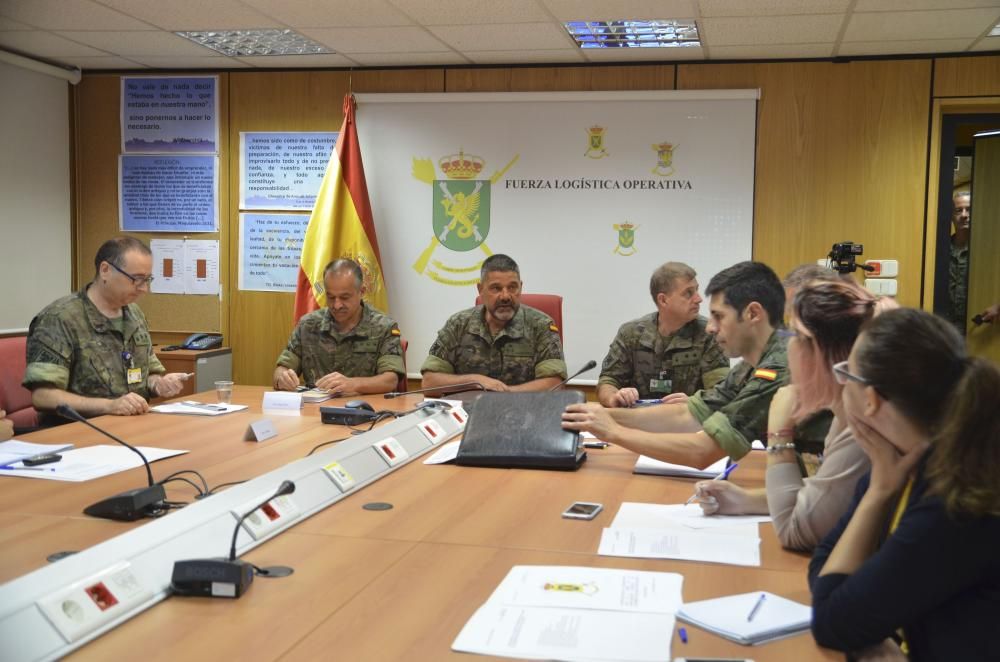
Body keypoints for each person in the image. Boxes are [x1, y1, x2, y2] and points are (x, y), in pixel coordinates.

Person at [810, 308, 1000, 660]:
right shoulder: (902, 463)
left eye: (846, 373)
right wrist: (879, 490)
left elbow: (832, 623)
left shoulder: (954, 501)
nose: (840, 382)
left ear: (871, 399)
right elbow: (823, 569)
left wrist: (862, 629)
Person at [693, 280, 892, 551]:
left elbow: (792, 531)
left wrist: (779, 435)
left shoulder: (863, 428)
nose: (789, 348)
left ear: (825, 354)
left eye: (796, 337)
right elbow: (826, 491)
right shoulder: (845, 412)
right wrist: (745, 500)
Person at [563, 261, 792, 469]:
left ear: (753, 313)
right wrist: (594, 416)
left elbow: (702, 451)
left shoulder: (778, 369)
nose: (711, 327)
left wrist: (614, 431)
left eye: (719, 316)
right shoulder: (749, 366)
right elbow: (686, 415)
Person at [23, 237, 188, 421]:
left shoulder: (134, 314)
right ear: (105, 270)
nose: (144, 289)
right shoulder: (60, 319)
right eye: (137, 279)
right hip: (79, 431)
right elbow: (43, 397)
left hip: (133, 424)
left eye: (148, 279)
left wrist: (159, 384)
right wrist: (110, 406)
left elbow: (148, 374)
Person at [420, 254, 567, 392]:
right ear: (480, 289)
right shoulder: (458, 324)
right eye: (496, 288)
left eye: (512, 287)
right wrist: (475, 380)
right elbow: (429, 382)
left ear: (520, 287)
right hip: (469, 412)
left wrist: (504, 395)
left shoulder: (541, 325)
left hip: (524, 411)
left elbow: (555, 384)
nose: (505, 296)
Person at [596, 262, 728, 408]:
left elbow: (721, 394)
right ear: (663, 300)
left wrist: (694, 403)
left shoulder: (709, 334)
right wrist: (614, 397)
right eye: (689, 293)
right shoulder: (631, 333)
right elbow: (608, 380)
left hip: (688, 423)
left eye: (696, 290)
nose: (698, 299)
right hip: (637, 420)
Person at [273, 258, 404, 394]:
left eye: (345, 297)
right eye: (331, 297)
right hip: (313, 409)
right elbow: (281, 369)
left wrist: (353, 385)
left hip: (362, 409)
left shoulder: (383, 327)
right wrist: (282, 378)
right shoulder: (308, 325)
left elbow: (390, 380)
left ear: (362, 292)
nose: (337, 305)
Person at [947, 191, 970, 331]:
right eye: (958, 210)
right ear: (951, 216)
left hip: (977, 325)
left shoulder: (988, 252)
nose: (964, 215)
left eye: (969, 209)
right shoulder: (940, 248)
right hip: (946, 326)